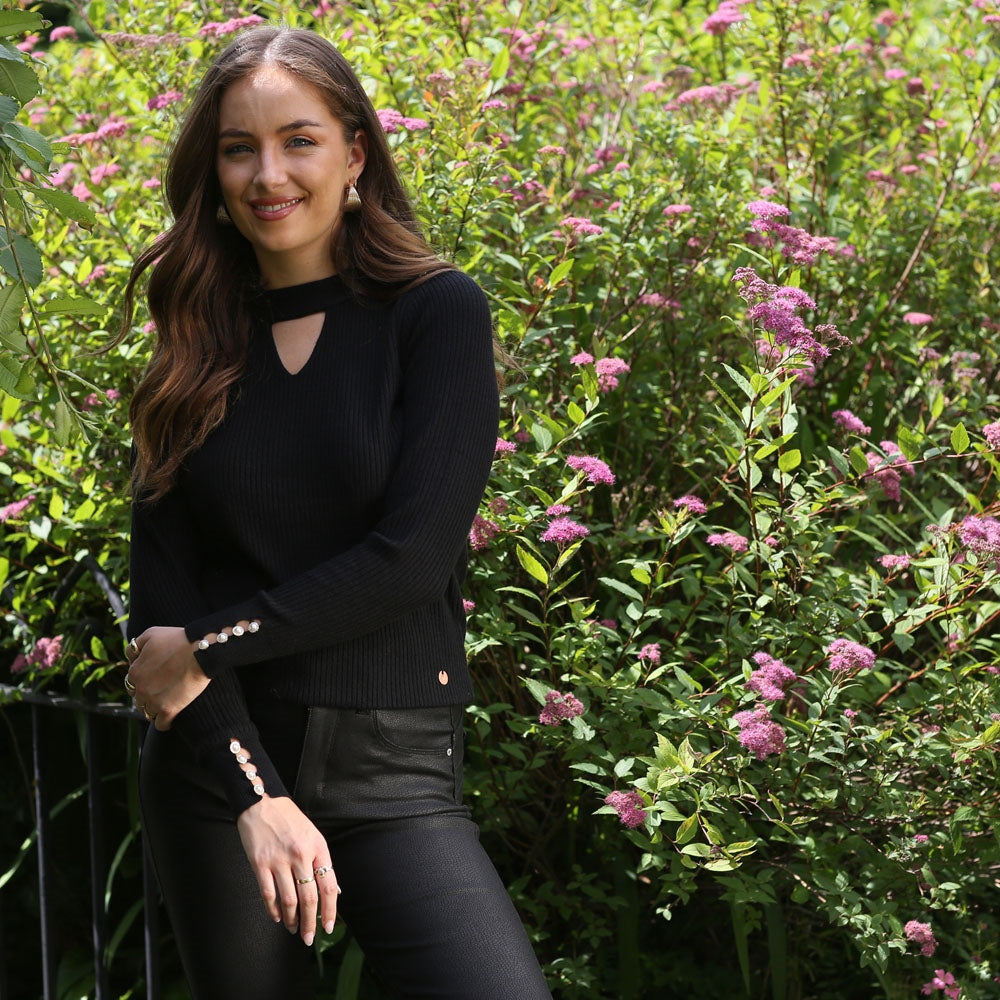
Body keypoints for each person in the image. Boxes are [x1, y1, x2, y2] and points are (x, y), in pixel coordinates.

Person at [117, 25, 552, 1000]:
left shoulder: (435, 313)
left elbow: (410, 560)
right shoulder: (192, 342)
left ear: (355, 153)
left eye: (299, 140)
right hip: (220, 771)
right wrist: (255, 793)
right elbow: (162, 601)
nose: (268, 174)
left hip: (392, 772)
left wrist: (208, 644)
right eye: (239, 148)